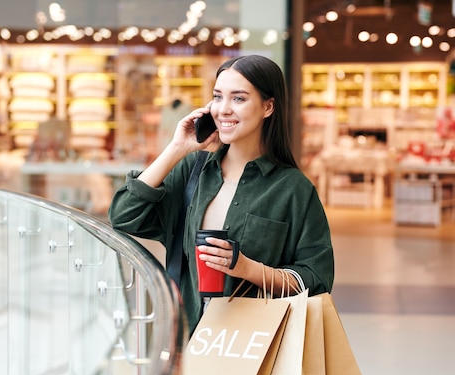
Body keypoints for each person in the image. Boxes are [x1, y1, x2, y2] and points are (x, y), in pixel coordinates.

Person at [109, 54, 334, 334]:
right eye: (218, 97)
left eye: (238, 99)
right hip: (189, 336)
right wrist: (177, 148)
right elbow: (124, 216)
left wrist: (247, 268)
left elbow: (317, 278)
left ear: (268, 106)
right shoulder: (194, 170)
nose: (223, 109)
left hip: (253, 346)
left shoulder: (293, 189)